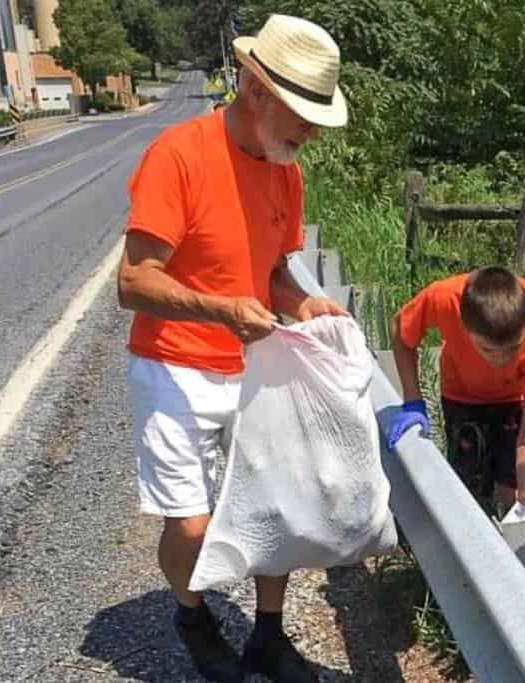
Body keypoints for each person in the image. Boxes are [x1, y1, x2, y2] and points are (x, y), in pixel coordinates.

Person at [117, 14, 350, 683]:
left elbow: (273, 271)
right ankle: (191, 613)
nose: (309, 134)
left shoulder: (284, 171)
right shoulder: (179, 155)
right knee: (190, 526)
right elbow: (134, 282)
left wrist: (301, 304)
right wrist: (219, 309)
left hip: (254, 361)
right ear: (255, 90)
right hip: (173, 364)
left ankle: (267, 637)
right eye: (302, 117)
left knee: (275, 505)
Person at [386, 266, 525, 515]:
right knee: (468, 487)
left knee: (511, 489)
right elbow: (400, 332)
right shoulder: (444, 299)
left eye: (513, 348)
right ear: (463, 326)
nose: (502, 360)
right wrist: (413, 401)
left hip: (516, 397)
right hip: (461, 394)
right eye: (488, 350)